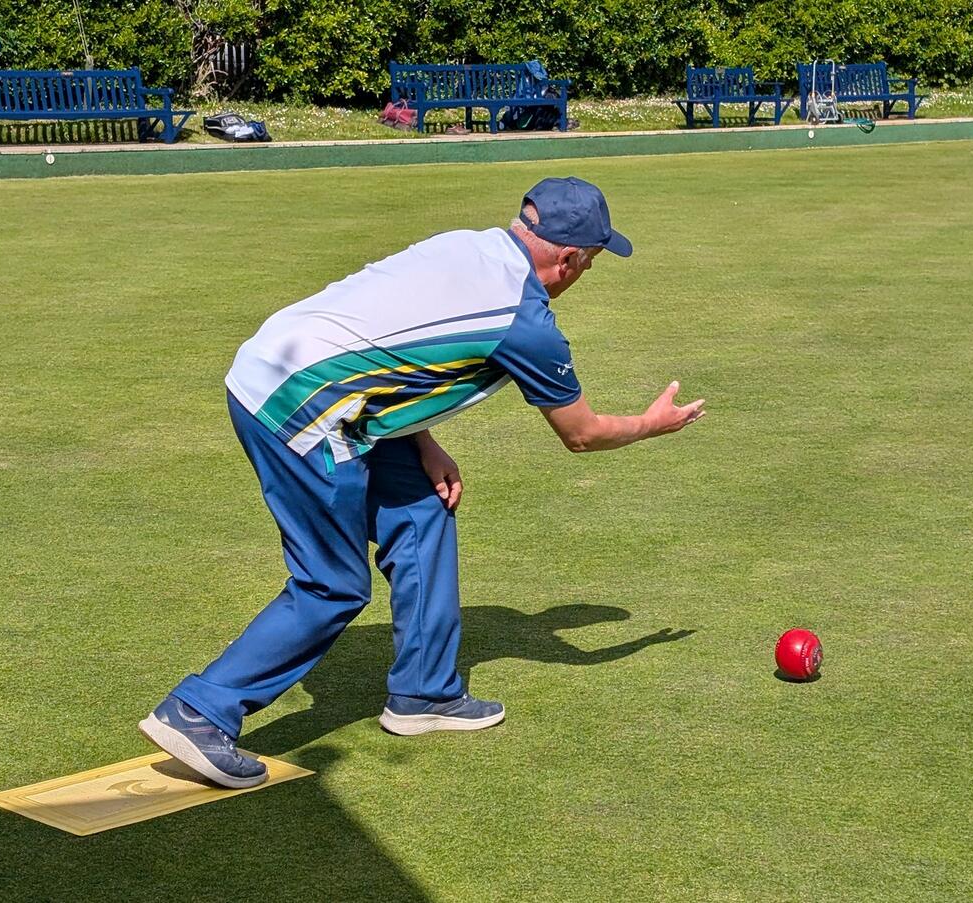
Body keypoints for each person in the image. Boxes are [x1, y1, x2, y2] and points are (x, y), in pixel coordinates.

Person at [139, 176, 705, 788]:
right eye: (591, 260)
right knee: (331, 584)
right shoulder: (525, 321)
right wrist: (652, 425)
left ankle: (424, 693)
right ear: (567, 259)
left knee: (421, 510)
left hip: (290, 369)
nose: (587, 271)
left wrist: (423, 442)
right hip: (300, 403)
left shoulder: (465, 244)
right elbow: (583, 433)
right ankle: (202, 711)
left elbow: (392, 344)